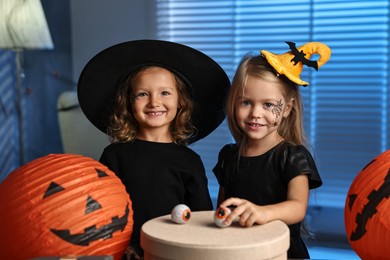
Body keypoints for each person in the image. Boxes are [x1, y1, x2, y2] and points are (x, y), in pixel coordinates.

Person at [77, 40, 230, 259]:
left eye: (165, 93)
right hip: (125, 251)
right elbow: (101, 210)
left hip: (173, 251)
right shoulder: (114, 156)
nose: (154, 102)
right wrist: (122, 246)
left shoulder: (189, 161)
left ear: (181, 102)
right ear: (129, 103)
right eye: (142, 94)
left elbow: (199, 218)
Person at [213, 41, 331, 259]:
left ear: (286, 109)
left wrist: (262, 213)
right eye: (246, 102)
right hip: (237, 248)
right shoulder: (228, 156)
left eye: (268, 105)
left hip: (280, 250)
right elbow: (223, 207)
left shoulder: (292, 156)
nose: (255, 113)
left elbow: (297, 207)